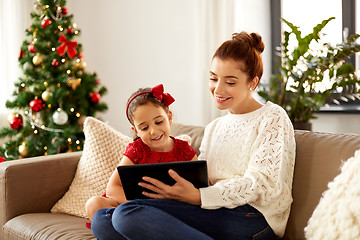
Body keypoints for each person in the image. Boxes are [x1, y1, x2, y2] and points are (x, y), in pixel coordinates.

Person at [90, 32, 296, 240]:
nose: (218, 89)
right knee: (102, 220)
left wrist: (199, 196)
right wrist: (183, 194)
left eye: (230, 82)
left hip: (252, 217)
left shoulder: (272, 116)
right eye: (213, 78)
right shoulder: (214, 127)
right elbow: (202, 179)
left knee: (125, 216)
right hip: (210, 209)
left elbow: (261, 184)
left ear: (252, 82)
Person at [85, 84, 197, 221]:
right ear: (136, 131)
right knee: (94, 204)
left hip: (172, 210)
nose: (153, 131)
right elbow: (113, 188)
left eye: (159, 122)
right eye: (144, 128)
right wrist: (137, 206)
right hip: (137, 207)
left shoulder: (184, 150)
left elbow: (201, 187)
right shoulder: (137, 150)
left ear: (169, 118)